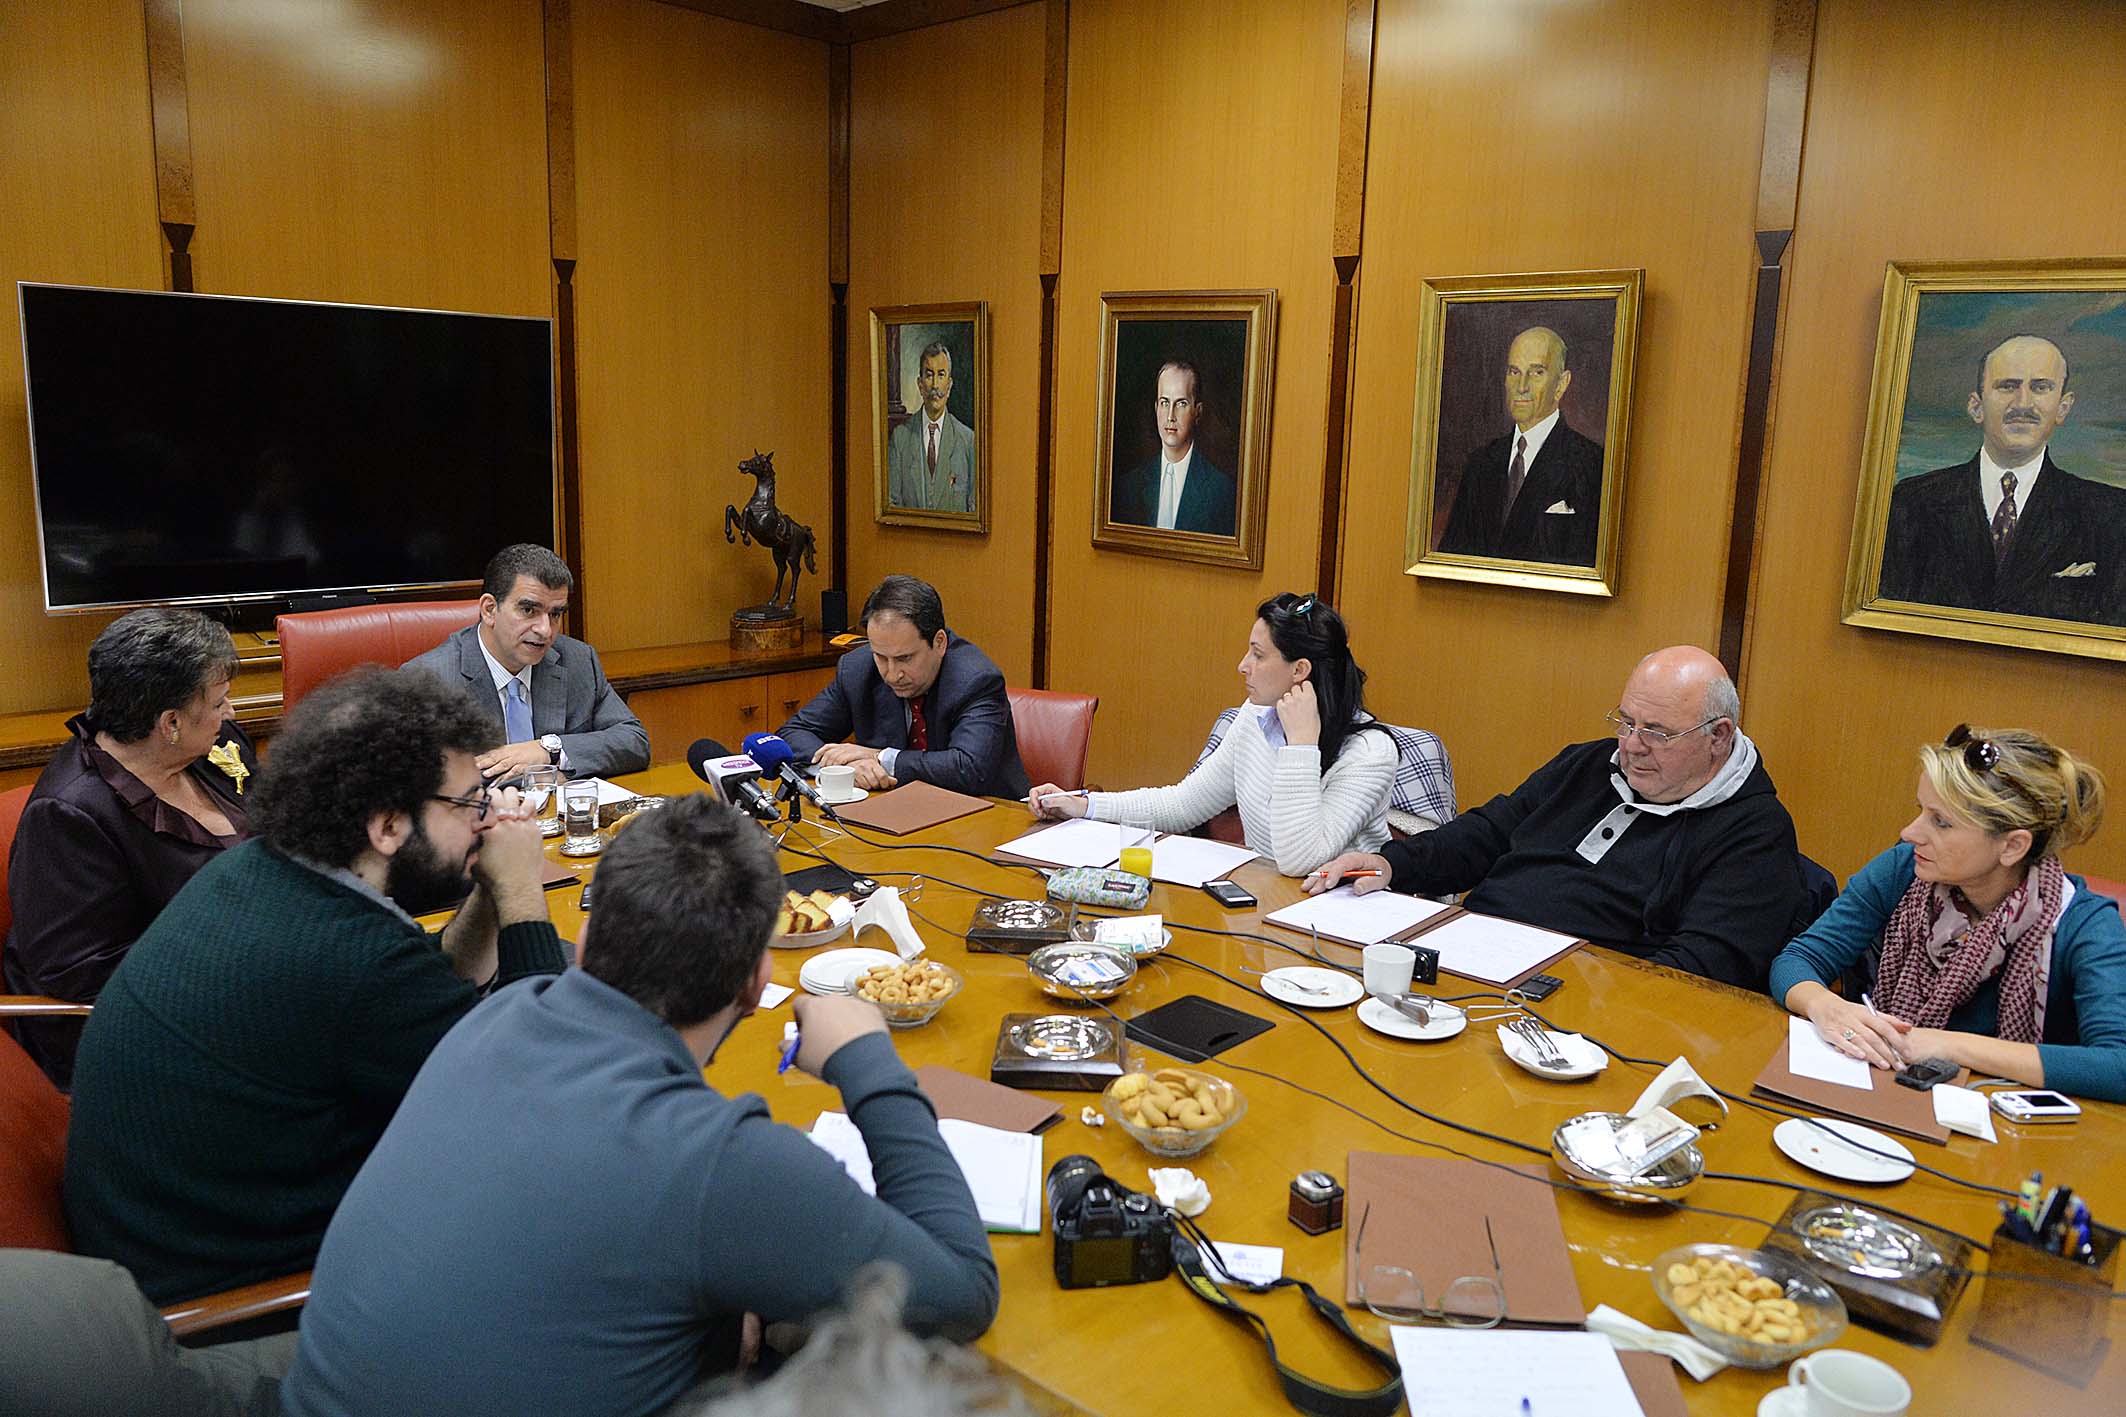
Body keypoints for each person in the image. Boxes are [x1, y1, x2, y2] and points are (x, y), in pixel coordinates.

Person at [275, 794, 999, 1417]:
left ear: (585, 941)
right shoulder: (719, 1159)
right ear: (757, 983)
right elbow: (963, 1292)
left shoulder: (499, 1014)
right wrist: (867, 1061)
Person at [61, 668, 567, 1305]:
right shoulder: (357, 962)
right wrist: (522, 893)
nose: (487, 819)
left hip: (169, 1229)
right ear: (388, 827)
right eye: (469, 804)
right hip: (235, 1302)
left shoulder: (259, 870)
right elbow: (551, 1102)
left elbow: (428, 986)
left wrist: (491, 891)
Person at [1309, 646, 1810, 991]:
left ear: (1718, 737)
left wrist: (1566, 987)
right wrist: (1390, 864)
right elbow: (1490, 832)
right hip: (1472, 959)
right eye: (1626, 722)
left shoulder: (1755, 833)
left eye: (1657, 732)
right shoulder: (1589, 764)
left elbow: (1697, 974)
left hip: (1577, 1002)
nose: (1632, 746)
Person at [1772, 726, 2126, 1103]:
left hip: (2007, 1123)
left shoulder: (2085, 924)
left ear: (2012, 846)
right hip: (1892, 1094)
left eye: (1941, 822)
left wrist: (1946, 1045)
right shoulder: (1904, 870)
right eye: (1921, 811)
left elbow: (2117, 1066)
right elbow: (1798, 959)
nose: (1910, 832)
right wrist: (1826, 1006)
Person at [5, 608, 260, 1090]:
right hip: (142, 1024)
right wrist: (244, 962)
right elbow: (81, 971)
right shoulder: (69, 815)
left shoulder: (213, 744)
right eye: (220, 701)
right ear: (170, 723)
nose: (231, 712)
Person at [1027, 593, 1395, 876]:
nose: (1243, 666)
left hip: (1339, 920)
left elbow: (1297, 860)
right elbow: (1183, 804)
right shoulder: (1256, 716)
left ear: (1299, 670)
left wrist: (1300, 746)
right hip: (1264, 901)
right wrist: (1083, 805)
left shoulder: (1369, 753)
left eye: (1258, 655)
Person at [1879, 334, 2126, 625]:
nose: (2023, 403)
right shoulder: (1910, 503)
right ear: (1976, 407)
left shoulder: (2112, 515)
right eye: (2007, 386)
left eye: (2041, 387)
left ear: (2063, 407)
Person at [403, 542, 650, 780]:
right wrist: (548, 776)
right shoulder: (426, 681)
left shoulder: (577, 660)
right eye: (529, 610)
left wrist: (549, 750)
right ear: (489, 609)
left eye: (555, 614)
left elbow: (634, 742)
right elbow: (418, 778)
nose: (545, 630)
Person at [777, 574, 1029, 798]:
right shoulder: (858, 670)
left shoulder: (977, 680)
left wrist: (880, 758)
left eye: (905, 658)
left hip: (987, 816)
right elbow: (792, 733)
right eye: (880, 657)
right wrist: (845, 766)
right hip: (892, 811)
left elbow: (969, 769)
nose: (891, 674)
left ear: (939, 643)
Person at [1436, 325, 1604, 565]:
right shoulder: (1480, 464)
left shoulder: (1592, 466)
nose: (1521, 386)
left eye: (1536, 373)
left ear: (1561, 384)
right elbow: (1450, 561)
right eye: (1514, 371)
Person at [1109, 360, 1238, 536]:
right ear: (1156, 408)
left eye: (1181, 404)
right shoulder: (1128, 487)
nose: (1170, 416)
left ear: (1198, 412)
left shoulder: (1222, 491)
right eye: (1164, 403)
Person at [885, 341, 976, 514]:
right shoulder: (900, 438)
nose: (935, 385)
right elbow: (892, 506)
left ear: (949, 385)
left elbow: (974, 509)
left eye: (941, 375)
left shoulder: (968, 440)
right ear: (920, 385)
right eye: (929, 375)